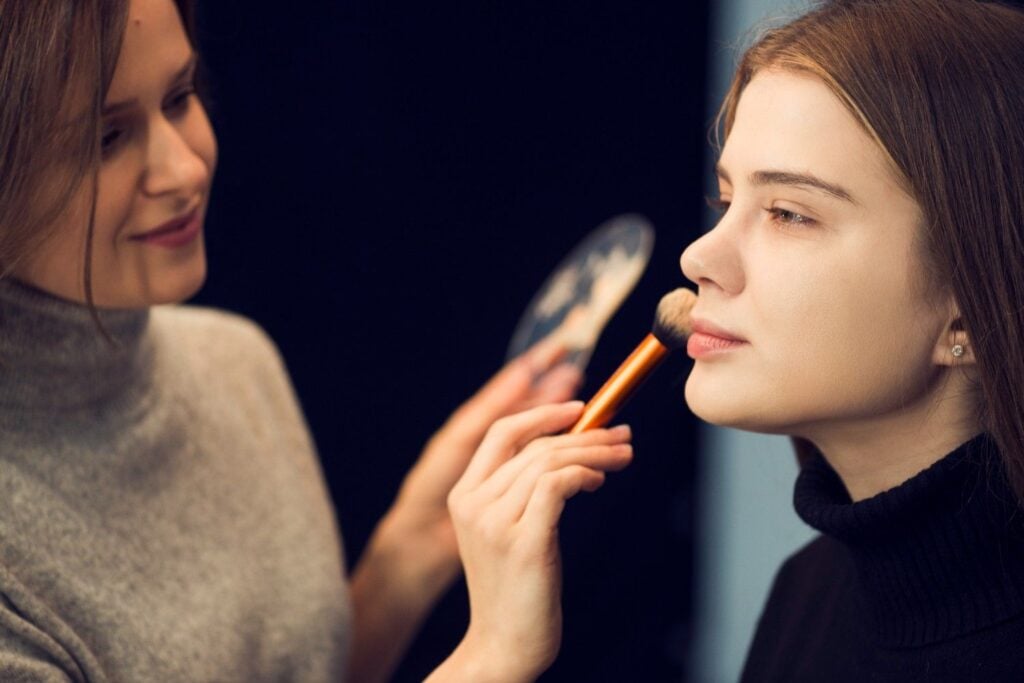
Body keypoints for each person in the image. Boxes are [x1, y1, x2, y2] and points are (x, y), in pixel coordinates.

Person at [0, 1, 634, 681]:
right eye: (106, 138)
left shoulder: (235, 365)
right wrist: (492, 656)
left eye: (180, 97)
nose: (184, 169)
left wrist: (402, 564)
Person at [433, 0, 1024, 680]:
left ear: (973, 310)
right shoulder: (809, 594)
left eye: (790, 213)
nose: (697, 258)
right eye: (725, 201)